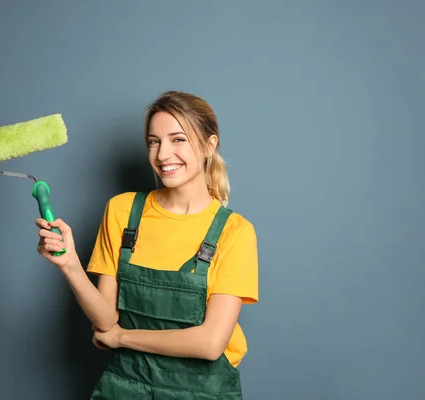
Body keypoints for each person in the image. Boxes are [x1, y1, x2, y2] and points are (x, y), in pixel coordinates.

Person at [35, 90, 259, 399]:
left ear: (210, 145)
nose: (163, 154)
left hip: (201, 392)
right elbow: (106, 319)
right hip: (124, 387)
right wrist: (70, 264)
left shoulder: (234, 231)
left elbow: (209, 343)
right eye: (154, 141)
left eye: (178, 139)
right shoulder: (123, 211)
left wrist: (122, 338)